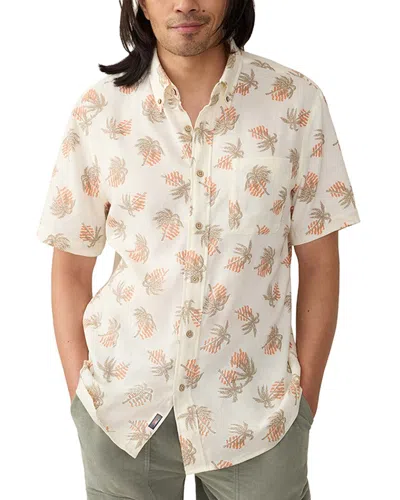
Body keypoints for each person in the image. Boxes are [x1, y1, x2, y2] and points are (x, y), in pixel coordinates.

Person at [36, 1, 361, 498]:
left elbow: (319, 264)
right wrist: (81, 397)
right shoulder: (99, 112)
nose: (185, 3)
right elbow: (71, 266)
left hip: (259, 415)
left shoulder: (295, 104)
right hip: (122, 415)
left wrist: (304, 404)